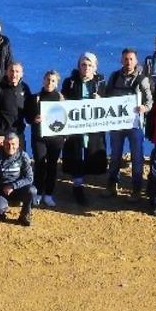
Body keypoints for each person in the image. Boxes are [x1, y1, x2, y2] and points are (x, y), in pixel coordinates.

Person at [105, 49, 153, 198]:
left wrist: (144, 108)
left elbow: (150, 101)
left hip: (135, 125)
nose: (128, 62)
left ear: (136, 61)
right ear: (121, 60)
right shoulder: (113, 77)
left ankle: (136, 189)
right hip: (117, 125)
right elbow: (106, 97)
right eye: (125, 59)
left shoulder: (142, 79)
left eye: (131, 59)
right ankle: (112, 186)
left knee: (137, 157)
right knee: (115, 156)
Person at [61, 52, 108, 206]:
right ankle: (77, 185)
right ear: (78, 66)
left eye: (89, 65)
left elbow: (111, 104)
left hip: (93, 128)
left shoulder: (101, 83)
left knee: (91, 154)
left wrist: (101, 101)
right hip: (75, 127)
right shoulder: (70, 82)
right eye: (83, 64)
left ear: (95, 68)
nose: (86, 68)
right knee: (76, 153)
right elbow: (63, 101)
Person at [26, 70, 65, 207]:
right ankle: (37, 193)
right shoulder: (35, 97)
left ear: (57, 83)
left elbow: (66, 120)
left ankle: (48, 194)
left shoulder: (61, 99)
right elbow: (27, 118)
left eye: (53, 80)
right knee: (40, 165)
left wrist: (64, 136)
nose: (50, 83)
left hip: (56, 138)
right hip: (39, 138)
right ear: (43, 80)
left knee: (52, 166)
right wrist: (34, 119)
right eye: (48, 79)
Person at [0, 132, 36, 225]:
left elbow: (29, 178)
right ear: (3, 144)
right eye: (7, 144)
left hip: (17, 189)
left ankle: (24, 215)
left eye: (13, 144)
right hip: (1, 190)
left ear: (18, 144)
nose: (10, 147)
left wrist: (13, 186)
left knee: (32, 190)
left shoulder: (23, 156)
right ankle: (1, 212)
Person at [0, 61, 30, 153]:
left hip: (18, 136)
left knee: (18, 166)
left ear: (22, 74)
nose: (14, 74)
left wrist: (36, 117)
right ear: (6, 72)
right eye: (11, 71)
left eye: (17, 72)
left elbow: (29, 111)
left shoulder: (24, 88)